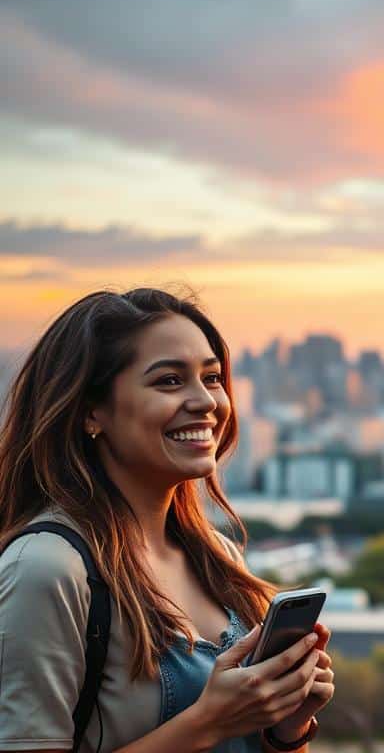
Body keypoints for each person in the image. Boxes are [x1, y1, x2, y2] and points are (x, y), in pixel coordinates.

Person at [0, 289, 334, 753]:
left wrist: (286, 728)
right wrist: (208, 722)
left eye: (212, 377)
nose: (205, 402)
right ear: (91, 411)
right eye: (169, 382)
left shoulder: (216, 556)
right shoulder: (49, 569)